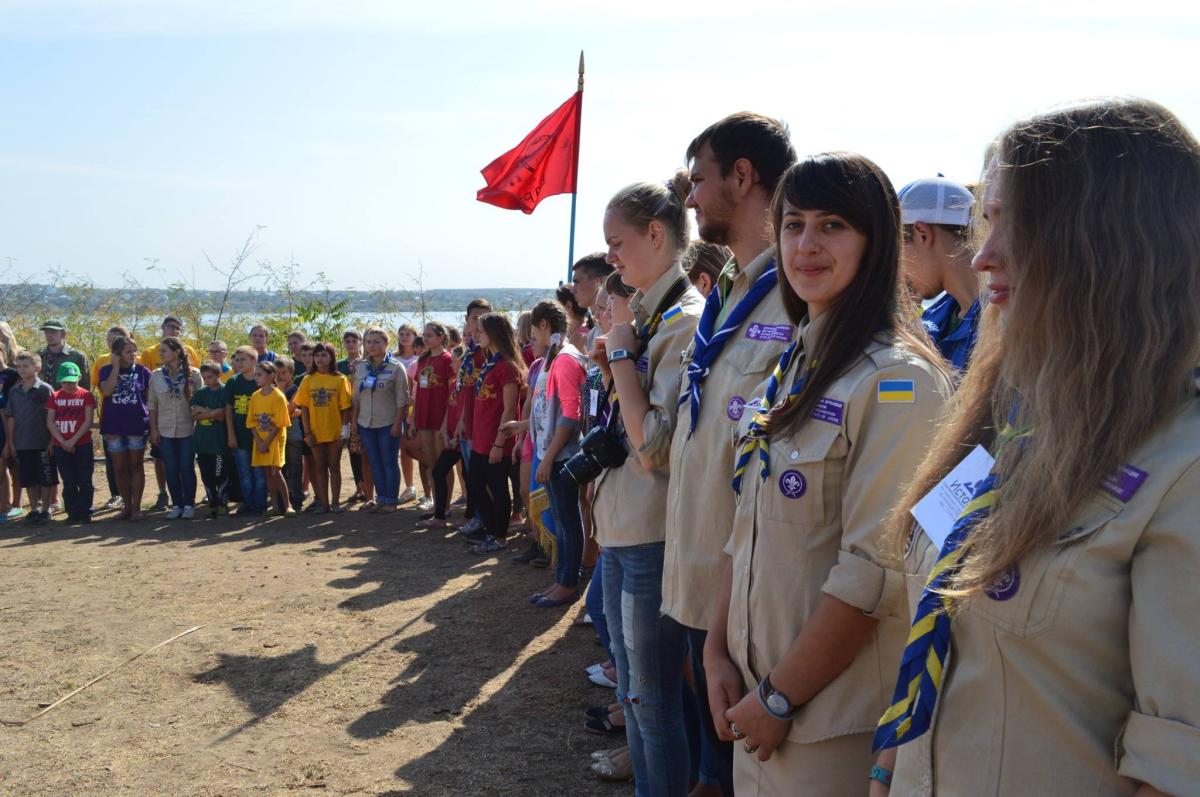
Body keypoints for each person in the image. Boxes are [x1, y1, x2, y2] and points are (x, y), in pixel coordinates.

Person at [873, 98, 1200, 797]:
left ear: (1115, 240)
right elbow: (935, 624)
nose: (985, 253)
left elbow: (1174, 771)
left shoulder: (1184, 464)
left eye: (1023, 224)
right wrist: (889, 765)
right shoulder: (1010, 419)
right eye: (992, 219)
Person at [695, 153, 952, 796]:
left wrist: (781, 698)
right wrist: (716, 650)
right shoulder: (795, 366)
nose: (806, 245)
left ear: (875, 241)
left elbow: (875, 573)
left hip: (828, 724)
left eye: (832, 225)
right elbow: (746, 523)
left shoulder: (899, 380)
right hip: (756, 700)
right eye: (793, 224)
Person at [661, 111, 798, 797]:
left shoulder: (801, 299)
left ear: (742, 178)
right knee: (709, 764)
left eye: (698, 180)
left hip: (742, 599)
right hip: (695, 579)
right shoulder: (730, 294)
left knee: (736, 775)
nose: (688, 199)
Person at [589, 171, 706, 796]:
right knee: (635, 695)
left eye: (617, 242)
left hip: (651, 532)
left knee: (651, 697)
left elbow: (653, 446)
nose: (610, 256)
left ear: (656, 234)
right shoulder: (649, 317)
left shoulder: (683, 321)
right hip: (624, 526)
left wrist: (619, 355)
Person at [524, 300, 588, 604]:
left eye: (533, 331)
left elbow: (571, 415)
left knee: (567, 521)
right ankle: (562, 579)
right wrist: (522, 425)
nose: (530, 338)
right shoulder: (557, 357)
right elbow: (553, 410)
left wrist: (547, 458)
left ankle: (567, 583)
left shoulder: (563, 359)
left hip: (562, 456)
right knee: (563, 520)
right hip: (556, 452)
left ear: (545, 326)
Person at [898, 175, 980, 371]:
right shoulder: (930, 320)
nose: (897, 269)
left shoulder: (1005, 325)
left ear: (922, 234)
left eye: (896, 251)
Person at [463, 312, 524, 555]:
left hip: (496, 440)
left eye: (481, 330)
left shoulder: (507, 366)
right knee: (475, 485)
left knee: (498, 488)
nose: (477, 334)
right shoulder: (489, 362)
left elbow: (510, 408)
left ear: (495, 334)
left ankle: (499, 536)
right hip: (481, 438)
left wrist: (499, 443)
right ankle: (492, 530)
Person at [141, 316, 199, 512]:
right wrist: (153, 430)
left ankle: (189, 504)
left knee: (186, 468)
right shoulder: (156, 375)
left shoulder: (194, 374)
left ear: (176, 352)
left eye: (164, 351)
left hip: (187, 429)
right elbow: (152, 405)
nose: (161, 354)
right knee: (171, 469)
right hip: (165, 430)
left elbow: (200, 401)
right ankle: (177, 505)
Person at [351, 327, 409, 513]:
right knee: (374, 462)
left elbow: (403, 399)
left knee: (389, 462)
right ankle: (381, 498)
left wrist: (397, 423)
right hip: (366, 423)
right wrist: (354, 424)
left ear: (386, 343)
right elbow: (356, 399)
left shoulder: (396, 367)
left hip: (388, 423)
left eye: (376, 341)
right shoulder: (361, 367)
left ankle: (391, 500)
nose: (372, 345)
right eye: (368, 342)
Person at [295, 342, 351, 513]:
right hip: (315, 431)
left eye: (324, 355)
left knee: (334, 466)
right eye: (317, 355)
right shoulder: (307, 380)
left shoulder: (340, 379)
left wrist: (345, 430)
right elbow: (303, 407)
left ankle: (335, 503)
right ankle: (324, 504)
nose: (319, 359)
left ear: (331, 357)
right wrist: (307, 432)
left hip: (334, 431)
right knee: (319, 467)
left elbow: (346, 408)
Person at [99, 337, 151, 521]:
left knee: (136, 465)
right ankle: (126, 507)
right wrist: (115, 367)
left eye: (134, 351)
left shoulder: (144, 371)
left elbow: (149, 399)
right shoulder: (106, 370)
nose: (133, 355)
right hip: (114, 426)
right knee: (119, 468)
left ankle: (136, 508)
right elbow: (107, 391)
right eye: (128, 351)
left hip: (137, 425)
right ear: (117, 353)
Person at [454, 299, 492, 534]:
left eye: (484, 317)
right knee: (472, 476)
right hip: (467, 422)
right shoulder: (470, 352)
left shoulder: (492, 352)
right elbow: (464, 390)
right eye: (474, 318)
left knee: (485, 478)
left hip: (484, 425)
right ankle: (478, 517)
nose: (478, 323)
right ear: (467, 320)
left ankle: (489, 521)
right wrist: (460, 420)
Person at [6, 351, 56, 525]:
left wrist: (52, 440)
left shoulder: (46, 389)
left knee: (46, 478)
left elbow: (53, 417)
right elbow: (11, 417)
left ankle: (46, 509)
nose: (21, 370)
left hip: (43, 441)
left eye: (25, 366)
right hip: (22, 442)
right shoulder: (14, 391)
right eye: (18, 366)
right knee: (28, 478)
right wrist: (11, 441)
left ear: (37, 367)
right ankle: (34, 509)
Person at [421, 344, 466, 529]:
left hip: (465, 438)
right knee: (438, 471)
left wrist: (457, 434)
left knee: (471, 477)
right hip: (452, 438)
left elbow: (466, 411)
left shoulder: (468, 384)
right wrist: (445, 428)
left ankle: (473, 516)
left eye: (456, 361)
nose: (452, 364)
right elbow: (450, 408)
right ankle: (440, 515)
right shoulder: (454, 383)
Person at [411, 323, 454, 511]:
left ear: (441, 337)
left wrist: (447, 421)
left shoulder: (447, 360)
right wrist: (413, 420)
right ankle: (437, 505)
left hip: (440, 417)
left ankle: (445, 506)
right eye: (424, 335)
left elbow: (452, 392)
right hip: (423, 416)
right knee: (431, 463)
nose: (425, 339)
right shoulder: (423, 360)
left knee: (442, 465)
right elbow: (418, 392)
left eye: (429, 335)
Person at [46, 361, 96, 524]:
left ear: (79, 378)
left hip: (82, 444)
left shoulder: (86, 395)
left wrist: (73, 440)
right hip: (61, 446)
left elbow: (88, 421)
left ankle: (85, 511)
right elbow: (50, 422)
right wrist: (62, 442)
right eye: (65, 381)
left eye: (72, 381)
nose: (69, 385)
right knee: (69, 481)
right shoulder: (54, 396)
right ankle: (72, 512)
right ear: (59, 380)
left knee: (85, 480)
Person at [91, 325, 132, 510]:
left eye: (115, 340)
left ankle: (132, 495)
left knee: (133, 459)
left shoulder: (136, 359)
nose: (111, 344)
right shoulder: (101, 361)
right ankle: (115, 494)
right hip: (110, 415)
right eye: (108, 340)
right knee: (112, 459)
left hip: (133, 418)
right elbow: (98, 388)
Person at [247, 360, 291, 514]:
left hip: (275, 439)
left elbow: (280, 424)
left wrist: (266, 442)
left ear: (271, 376)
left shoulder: (278, 396)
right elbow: (251, 422)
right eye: (255, 375)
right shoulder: (255, 396)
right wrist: (260, 442)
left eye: (259, 375)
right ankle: (275, 507)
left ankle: (288, 505)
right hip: (260, 440)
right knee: (267, 473)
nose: (256, 378)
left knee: (275, 471)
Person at [223, 346, 261, 515]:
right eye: (237, 360)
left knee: (259, 473)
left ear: (254, 361)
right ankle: (248, 503)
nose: (239, 363)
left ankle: (260, 504)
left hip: (260, 435)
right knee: (244, 473)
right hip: (239, 435)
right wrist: (231, 433)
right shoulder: (233, 381)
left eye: (243, 359)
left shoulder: (261, 381)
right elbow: (228, 410)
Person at [337, 329, 372, 504]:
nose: (351, 343)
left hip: (364, 410)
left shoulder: (367, 362)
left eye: (354, 340)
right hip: (346, 412)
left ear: (360, 342)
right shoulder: (338, 366)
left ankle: (368, 487)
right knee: (353, 450)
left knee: (365, 451)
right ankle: (359, 486)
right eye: (347, 340)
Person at [192, 362, 230, 518]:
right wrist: (212, 412)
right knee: (206, 475)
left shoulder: (225, 390)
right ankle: (212, 503)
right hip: (203, 443)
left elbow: (223, 415)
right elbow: (194, 414)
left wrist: (205, 411)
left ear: (218, 375)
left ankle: (223, 503)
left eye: (210, 377)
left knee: (220, 474)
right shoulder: (201, 392)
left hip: (220, 443)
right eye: (204, 377)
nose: (207, 380)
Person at [275, 357, 306, 512]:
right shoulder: (269, 391)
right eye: (277, 373)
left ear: (291, 373)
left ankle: (296, 499)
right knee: (281, 468)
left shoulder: (296, 389)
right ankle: (283, 501)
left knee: (295, 467)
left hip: (293, 435)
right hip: (276, 435)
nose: (280, 376)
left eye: (284, 372)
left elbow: (286, 409)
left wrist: (280, 391)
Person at [395, 323, 421, 503]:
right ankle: (409, 486)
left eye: (408, 334)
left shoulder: (420, 358)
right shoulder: (393, 358)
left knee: (420, 448)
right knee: (404, 449)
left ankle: (429, 490)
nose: (404, 337)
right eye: (401, 334)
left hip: (416, 410)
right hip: (398, 410)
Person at [571, 252, 616, 350]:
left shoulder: (614, 332)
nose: (572, 290)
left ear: (598, 282)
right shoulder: (595, 332)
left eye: (576, 283)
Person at [0, 350, 22, 520]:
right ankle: (4, 504)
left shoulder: (13, 373)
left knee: (14, 464)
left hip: (12, 421)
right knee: (2, 468)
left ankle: (17, 503)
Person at [38, 320, 90, 390]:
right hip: (42, 398)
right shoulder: (39, 355)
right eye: (46, 332)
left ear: (63, 334)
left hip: (67, 399)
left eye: (53, 332)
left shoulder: (77, 356)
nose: (49, 335)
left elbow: (85, 384)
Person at [556, 284, 591, 352]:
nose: (556, 311)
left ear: (569, 306)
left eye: (558, 307)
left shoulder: (581, 337)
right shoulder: (582, 332)